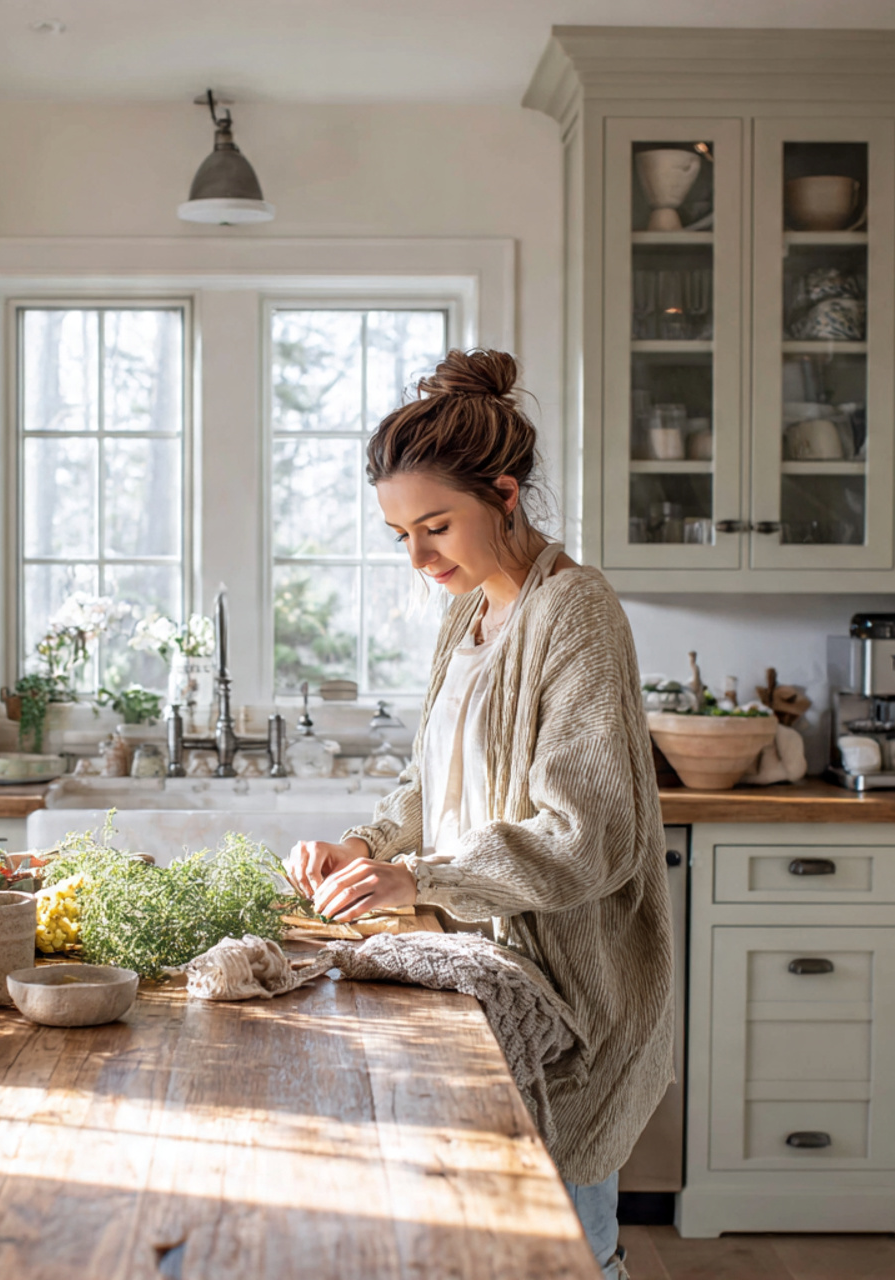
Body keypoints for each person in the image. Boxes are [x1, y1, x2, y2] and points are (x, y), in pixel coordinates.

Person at [286, 349, 673, 1280]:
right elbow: (437, 779)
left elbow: (587, 834)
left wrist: (419, 879)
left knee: (565, 1251)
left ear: (504, 494)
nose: (419, 559)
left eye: (435, 527)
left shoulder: (575, 612)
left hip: (568, 1000)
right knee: (478, 1242)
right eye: (399, 535)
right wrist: (370, 845)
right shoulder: (468, 616)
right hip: (486, 976)